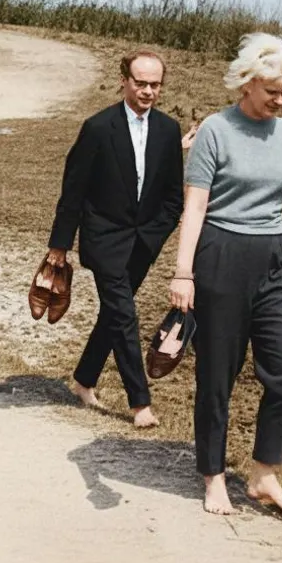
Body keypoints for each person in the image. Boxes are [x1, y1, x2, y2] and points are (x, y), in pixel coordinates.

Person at [168, 32, 282, 516]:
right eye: (272, 90)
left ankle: (263, 475)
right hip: (222, 254)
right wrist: (183, 272)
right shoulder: (215, 131)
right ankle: (213, 476)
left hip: (277, 258)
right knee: (218, 373)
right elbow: (195, 206)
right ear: (247, 83)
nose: (280, 100)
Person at [46, 50, 186, 428]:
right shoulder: (97, 127)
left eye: (155, 84)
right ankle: (140, 404)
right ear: (124, 80)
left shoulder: (169, 130)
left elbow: (174, 196)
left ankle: (84, 380)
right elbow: (73, 190)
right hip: (104, 240)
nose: (148, 91)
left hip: (144, 243)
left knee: (113, 314)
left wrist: (157, 234)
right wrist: (60, 245)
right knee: (124, 315)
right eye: (140, 83)